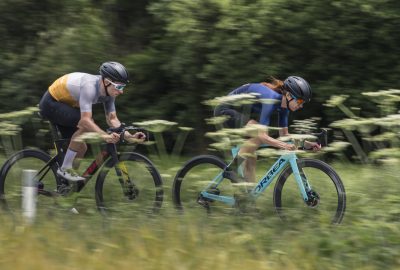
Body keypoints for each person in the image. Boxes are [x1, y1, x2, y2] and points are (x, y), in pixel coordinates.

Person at [39, 61, 145, 182]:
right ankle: (65, 169)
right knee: (86, 124)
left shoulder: (110, 93)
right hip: (51, 103)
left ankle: (66, 187)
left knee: (81, 148)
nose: (121, 91)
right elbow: (85, 121)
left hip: (68, 105)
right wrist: (105, 136)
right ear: (106, 82)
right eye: (119, 87)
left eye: (123, 87)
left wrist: (130, 137)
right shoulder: (89, 87)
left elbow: (112, 119)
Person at [214, 76, 321, 183]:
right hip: (224, 110)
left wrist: (306, 145)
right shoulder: (270, 99)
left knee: (251, 158)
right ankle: (232, 169)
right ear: (288, 95)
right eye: (300, 100)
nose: (301, 105)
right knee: (258, 135)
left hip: (239, 113)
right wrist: (285, 145)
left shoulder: (284, 108)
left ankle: (246, 197)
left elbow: (284, 136)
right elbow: (262, 136)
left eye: (303, 103)